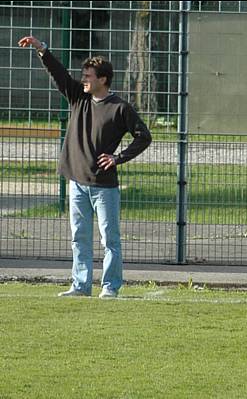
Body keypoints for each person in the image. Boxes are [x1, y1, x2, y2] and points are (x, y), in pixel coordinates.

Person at [18, 36, 152, 298]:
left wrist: (118, 157)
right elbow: (59, 75)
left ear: (103, 79)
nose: (84, 80)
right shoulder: (79, 97)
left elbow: (143, 136)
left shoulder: (119, 108)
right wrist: (42, 49)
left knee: (109, 240)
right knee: (79, 238)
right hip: (77, 182)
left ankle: (110, 287)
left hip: (104, 187)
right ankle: (80, 285)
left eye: (89, 76)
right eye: (83, 76)